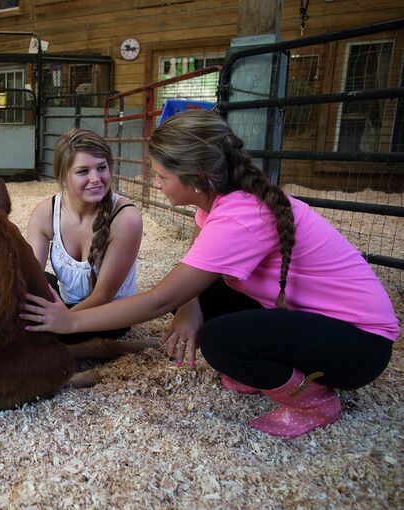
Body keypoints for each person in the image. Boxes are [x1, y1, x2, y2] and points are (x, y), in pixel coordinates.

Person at [21, 110, 398, 438]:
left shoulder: (239, 217)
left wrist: (69, 323)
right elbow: (193, 273)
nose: (156, 184)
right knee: (200, 295)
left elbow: (160, 298)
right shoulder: (217, 201)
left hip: (359, 346)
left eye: (161, 176)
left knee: (220, 341)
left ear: (195, 178)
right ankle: (267, 369)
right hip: (317, 320)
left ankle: (314, 401)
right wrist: (190, 306)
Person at [26, 128, 143, 344]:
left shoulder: (126, 218)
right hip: (65, 303)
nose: (95, 179)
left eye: (101, 168)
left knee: (38, 336)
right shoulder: (46, 212)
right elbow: (32, 274)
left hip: (107, 314)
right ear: (63, 176)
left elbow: (103, 296)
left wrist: (61, 321)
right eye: (83, 171)